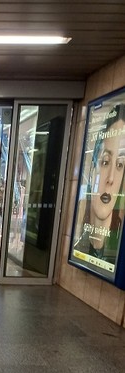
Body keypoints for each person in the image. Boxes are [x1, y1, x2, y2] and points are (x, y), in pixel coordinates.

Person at [73, 103, 125, 263]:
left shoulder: (117, 248)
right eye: (105, 162)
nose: (110, 179)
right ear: (92, 169)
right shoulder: (79, 241)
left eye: (120, 164)